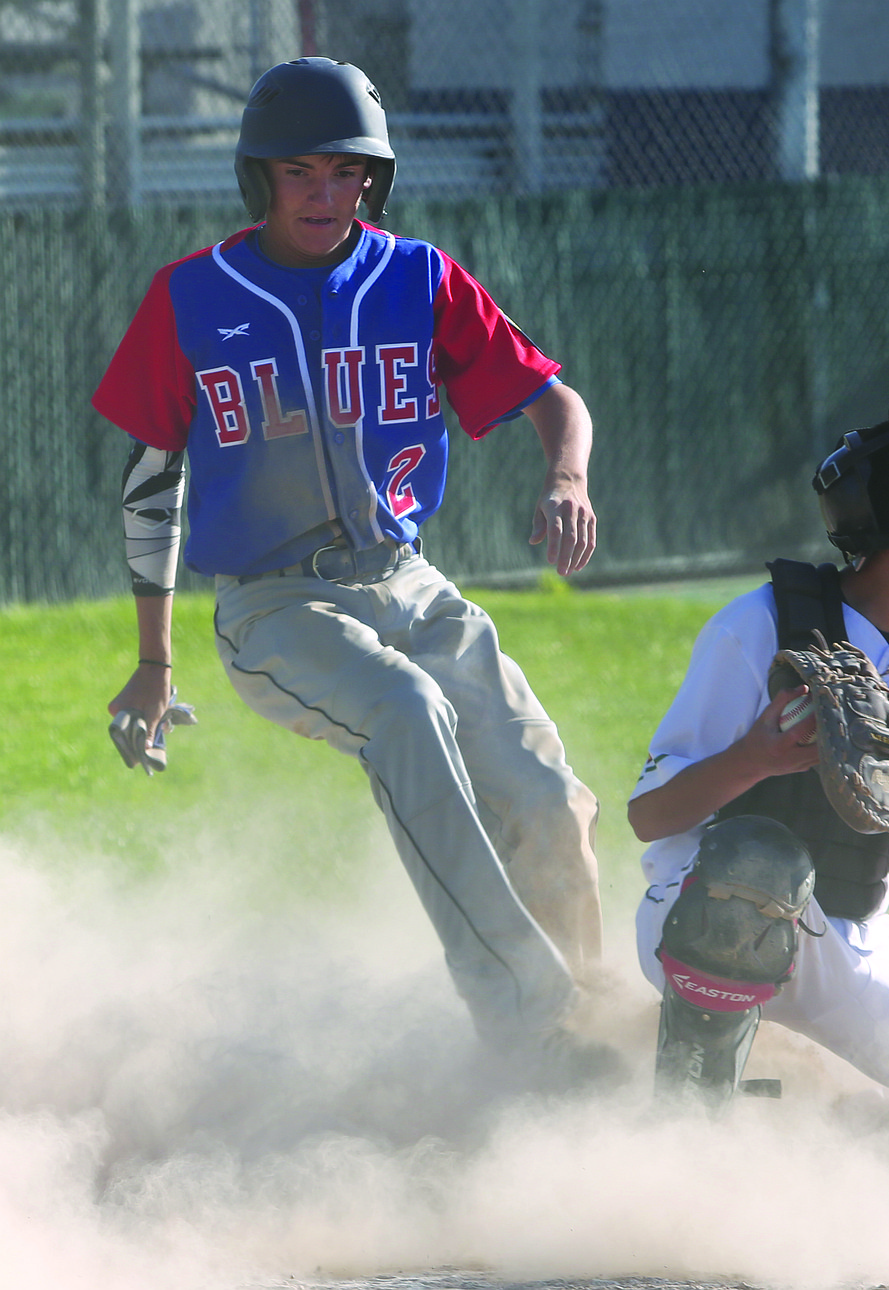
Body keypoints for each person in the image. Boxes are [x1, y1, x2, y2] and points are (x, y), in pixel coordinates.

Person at [93, 56, 612, 1083]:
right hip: (273, 607)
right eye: (300, 173)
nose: (326, 195)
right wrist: (153, 666)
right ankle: (529, 1026)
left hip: (408, 581)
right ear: (261, 180)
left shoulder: (416, 277)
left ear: (372, 179)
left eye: (346, 173)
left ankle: (597, 1011)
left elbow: (556, 399)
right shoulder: (193, 296)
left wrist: (568, 477)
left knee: (544, 792)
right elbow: (152, 483)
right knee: (408, 715)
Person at [628, 398, 889, 1111]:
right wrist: (755, 758)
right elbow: (649, 818)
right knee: (756, 861)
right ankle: (688, 1125)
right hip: (700, 912)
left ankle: (841, 1133)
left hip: (854, 941)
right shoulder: (762, 625)